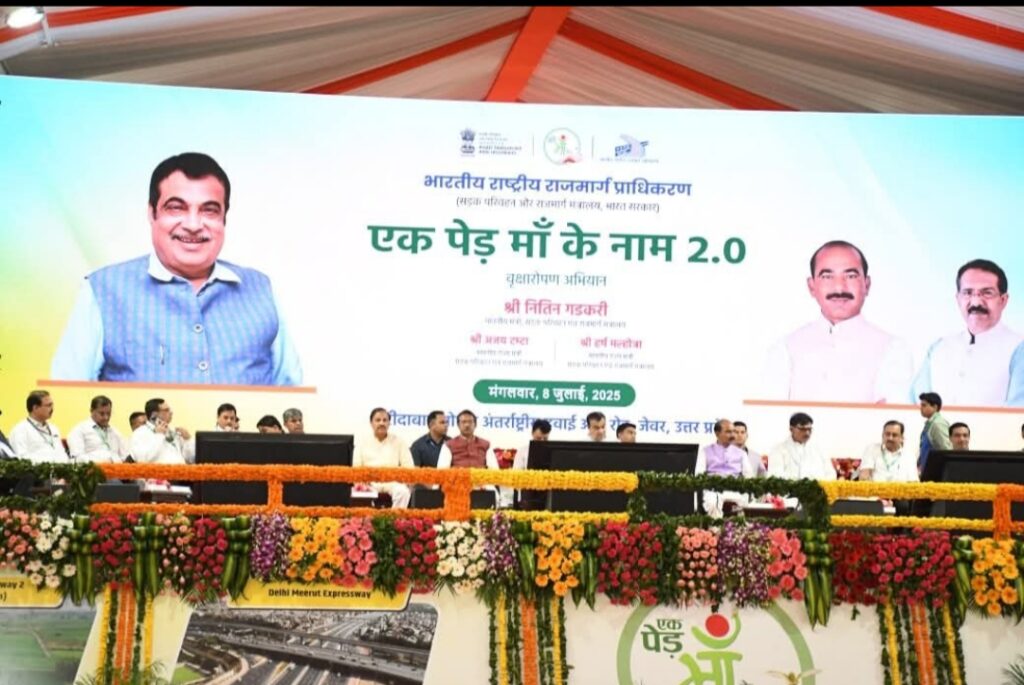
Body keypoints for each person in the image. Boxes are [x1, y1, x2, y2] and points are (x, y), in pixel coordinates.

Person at [50, 152, 302, 386]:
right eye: (176, 207)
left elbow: (294, 400)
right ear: (152, 214)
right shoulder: (103, 289)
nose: (193, 225)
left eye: (209, 210)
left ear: (224, 218)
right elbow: (66, 397)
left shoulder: (261, 290)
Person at [762, 240, 912, 403]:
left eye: (851, 276)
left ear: (867, 285)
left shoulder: (893, 350)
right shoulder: (785, 349)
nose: (839, 288)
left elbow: (891, 416)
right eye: (827, 277)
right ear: (812, 287)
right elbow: (771, 414)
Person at [912, 259, 1024, 406]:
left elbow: (1017, 413)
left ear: (1003, 300)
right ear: (958, 299)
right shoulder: (938, 347)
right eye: (968, 293)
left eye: (987, 293)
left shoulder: (1018, 348)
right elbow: (915, 406)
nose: (976, 302)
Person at [351, 408, 413, 509]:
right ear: (371, 423)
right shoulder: (362, 442)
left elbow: (409, 466)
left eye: (385, 420)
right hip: (370, 482)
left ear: (389, 423)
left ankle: (395, 518)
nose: (381, 423)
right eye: (378, 420)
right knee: (360, 493)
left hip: (393, 481)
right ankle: (368, 519)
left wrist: (401, 480)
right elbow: (356, 467)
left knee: (403, 492)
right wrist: (362, 481)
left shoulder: (399, 441)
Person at [696, 419, 756, 517]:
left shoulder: (741, 453)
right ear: (717, 433)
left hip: (735, 489)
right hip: (713, 489)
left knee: (745, 503)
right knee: (713, 501)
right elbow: (699, 475)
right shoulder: (705, 451)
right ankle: (716, 526)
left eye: (733, 431)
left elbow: (749, 476)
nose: (732, 435)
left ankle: (737, 526)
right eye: (728, 432)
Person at [767, 412, 834, 481]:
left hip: (818, 487)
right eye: (802, 429)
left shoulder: (819, 449)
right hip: (789, 488)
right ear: (791, 429)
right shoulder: (778, 449)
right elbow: (775, 476)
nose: (807, 433)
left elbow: (830, 474)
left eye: (809, 429)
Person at [66, 395, 130, 463]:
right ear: (91, 411)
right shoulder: (79, 430)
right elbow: (77, 458)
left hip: (117, 467)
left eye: (108, 414)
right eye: (102, 414)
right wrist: (104, 461)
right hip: (93, 468)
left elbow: (125, 456)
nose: (106, 417)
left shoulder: (115, 432)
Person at [10, 390, 68, 463]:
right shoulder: (20, 430)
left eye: (52, 405)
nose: (52, 409)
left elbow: (62, 453)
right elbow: (21, 458)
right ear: (35, 408)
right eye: (48, 405)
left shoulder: (54, 428)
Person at [131, 398, 194, 464]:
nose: (171, 412)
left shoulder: (172, 430)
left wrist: (188, 440)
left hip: (180, 469)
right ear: (154, 415)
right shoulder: (140, 433)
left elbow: (190, 458)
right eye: (166, 410)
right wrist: (159, 435)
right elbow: (142, 459)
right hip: (158, 470)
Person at [917, 392, 952, 473]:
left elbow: (946, 450)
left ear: (935, 407)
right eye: (921, 405)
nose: (921, 408)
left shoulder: (938, 424)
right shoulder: (930, 423)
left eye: (924, 405)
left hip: (936, 472)